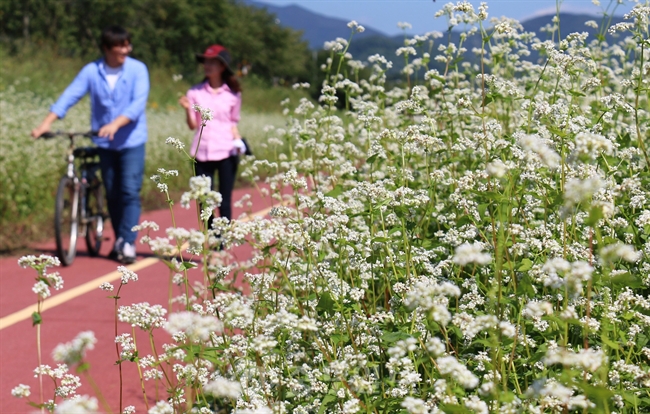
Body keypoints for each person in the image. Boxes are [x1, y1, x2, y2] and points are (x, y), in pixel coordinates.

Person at [31, 25, 150, 264]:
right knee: (113, 193)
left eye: (128, 45)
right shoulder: (92, 71)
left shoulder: (138, 69)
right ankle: (119, 239)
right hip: (105, 144)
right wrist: (46, 123)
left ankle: (127, 243)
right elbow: (70, 95)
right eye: (121, 45)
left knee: (128, 191)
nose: (126, 49)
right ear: (107, 48)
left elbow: (137, 104)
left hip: (131, 141)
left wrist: (116, 124)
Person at [179, 44, 245, 230]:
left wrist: (238, 141)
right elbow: (193, 125)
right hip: (202, 151)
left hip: (226, 151)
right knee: (204, 199)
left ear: (222, 66)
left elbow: (233, 122)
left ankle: (222, 240)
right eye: (206, 62)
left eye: (213, 62)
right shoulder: (195, 92)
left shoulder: (233, 94)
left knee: (224, 199)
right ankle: (210, 237)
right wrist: (186, 109)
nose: (207, 66)